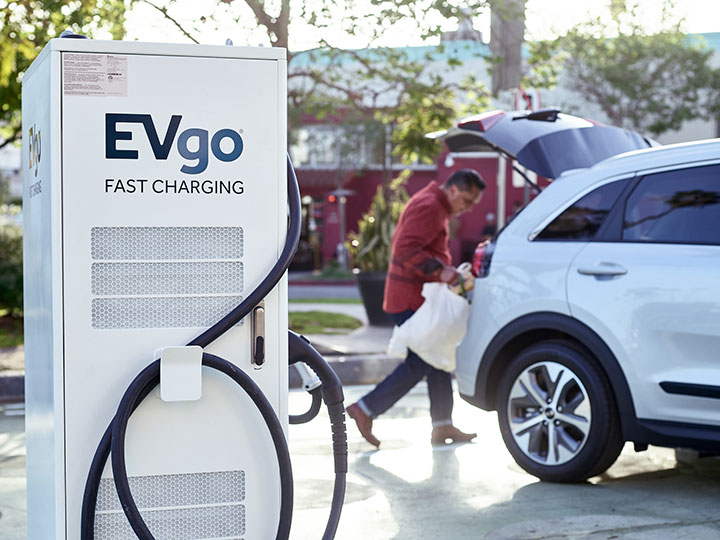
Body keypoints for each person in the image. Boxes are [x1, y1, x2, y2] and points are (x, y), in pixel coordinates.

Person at [347, 169, 486, 447]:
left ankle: (442, 426)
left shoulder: (435, 204)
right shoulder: (431, 206)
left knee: (437, 359)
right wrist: (442, 271)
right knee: (424, 360)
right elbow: (405, 248)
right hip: (412, 299)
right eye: (468, 201)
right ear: (454, 190)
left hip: (413, 297)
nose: (468, 209)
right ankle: (365, 409)